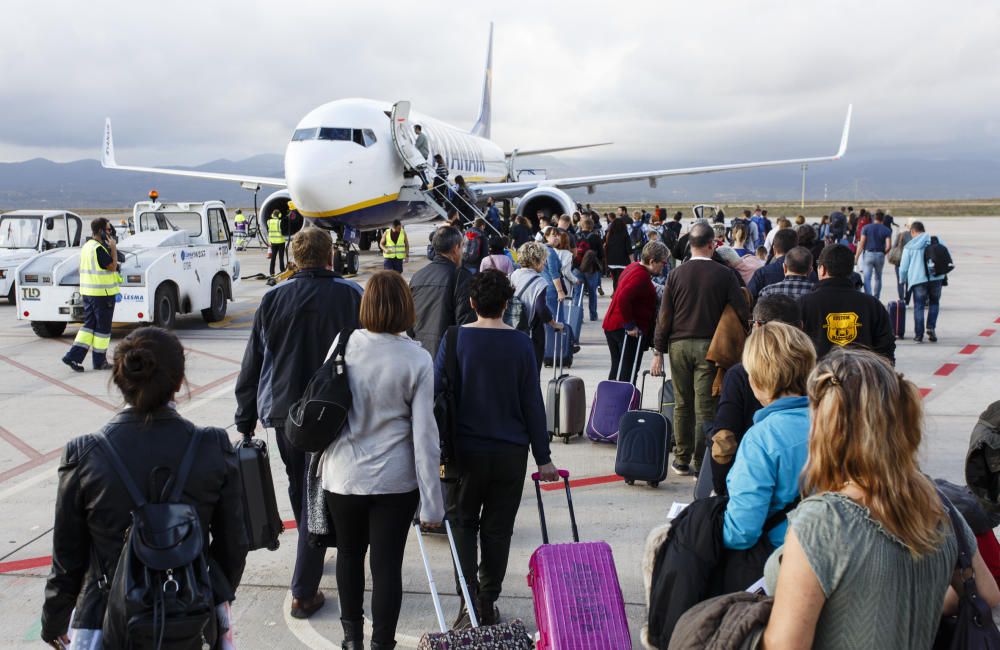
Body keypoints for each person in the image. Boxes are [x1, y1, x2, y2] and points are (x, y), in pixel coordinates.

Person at [762, 348, 1000, 649]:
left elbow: (785, 644)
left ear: (825, 426)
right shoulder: (935, 504)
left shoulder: (822, 522)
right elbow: (987, 592)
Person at [43, 327, 249, 648]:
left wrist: (54, 619)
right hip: (189, 615)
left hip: (106, 618)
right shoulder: (212, 446)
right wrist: (210, 591)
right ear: (178, 382)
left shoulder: (85, 454)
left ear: (120, 379)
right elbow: (234, 542)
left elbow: (68, 558)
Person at [235, 227, 363, 619]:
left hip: (285, 412)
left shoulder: (273, 298)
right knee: (324, 489)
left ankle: (313, 547)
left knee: (300, 484)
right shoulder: (351, 294)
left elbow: (254, 360)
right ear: (330, 258)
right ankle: (303, 588)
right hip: (335, 410)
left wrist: (245, 415)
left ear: (293, 260)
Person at [321, 271, 444, 650]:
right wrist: (433, 503)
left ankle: (351, 638)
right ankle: (382, 644)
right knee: (387, 565)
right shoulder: (417, 359)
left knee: (349, 556)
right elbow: (425, 438)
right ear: (406, 307)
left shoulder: (342, 345)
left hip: (344, 476)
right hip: (395, 480)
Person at [434, 270, 559, 628]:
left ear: (472, 303)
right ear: (507, 304)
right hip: (510, 453)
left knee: (462, 525)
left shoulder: (455, 337)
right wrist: (544, 457)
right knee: (498, 529)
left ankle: (467, 602)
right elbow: (532, 404)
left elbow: (435, 390)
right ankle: (488, 600)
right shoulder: (521, 344)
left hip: (464, 452)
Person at [652, 222, 751, 476]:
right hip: (709, 345)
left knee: (682, 403)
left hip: (678, 345)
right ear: (712, 244)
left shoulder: (675, 274)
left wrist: (657, 351)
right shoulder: (724, 274)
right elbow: (741, 310)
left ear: (690, 245)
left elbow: (665, 316)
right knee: (705, 405)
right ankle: (700, 461)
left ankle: (681, 459)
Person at [723, 322, 815, 551]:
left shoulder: (761, 439)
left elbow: (741, 532)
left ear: (755, 380)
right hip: (833, 556)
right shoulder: (836, 423)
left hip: (781, 562)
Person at [710, 294, 803, 496]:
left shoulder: (741, 374)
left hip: (750, 485)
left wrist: (722, 491)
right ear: (801, 327)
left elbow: (724, 440)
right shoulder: (816, 372)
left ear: (758, 327)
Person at [799, 244, 895, 363]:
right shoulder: (872, 305)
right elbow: (885, 348)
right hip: (862, 376)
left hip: (818, 377)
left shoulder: (804, 304)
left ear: (822, 269)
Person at [602, 241, 668, 383]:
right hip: (624, 330)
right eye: (663, 263)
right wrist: (630, 325)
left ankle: (612, 400)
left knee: (617, 368)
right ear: (652, 261)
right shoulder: (641, 276)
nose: (664, 267)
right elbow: (623, 297)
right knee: (628, 371)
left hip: (612, 325)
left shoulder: (633, 267)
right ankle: (623, 402)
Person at [61, 218, 119, 372]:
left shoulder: (87, 247)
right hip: (102, 294)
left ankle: (72, 357)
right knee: (102, 329)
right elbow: (112, 267)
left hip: (88, 293)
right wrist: (113, 248)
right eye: (108, 230)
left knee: (88, 326)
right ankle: (99, 362)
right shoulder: (98, 249)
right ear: (100, 231)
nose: (110, 232)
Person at [409, 226, 476, 358]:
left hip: (420, 354)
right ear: (456, 248)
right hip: (447, 356)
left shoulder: (417, 276)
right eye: (462, 247)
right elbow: (466, 324)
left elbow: (409, 324)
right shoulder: (460, 277)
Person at [511, 242, 564, 372]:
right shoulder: (540, 281)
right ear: (536, 261)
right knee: (533, 373)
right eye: (543, 260)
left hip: (513, 327)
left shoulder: (514, 274)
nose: (545, 263)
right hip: (532, 331)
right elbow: (541, 308)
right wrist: (553, 323)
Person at [899, 220, 947, 343]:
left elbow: (903, 267)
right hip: (936, 278)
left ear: (913, 231)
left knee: (919, 306)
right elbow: (945, 257)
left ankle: (918, 335)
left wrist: (902, 279)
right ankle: (931, 328)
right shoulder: (937, 240)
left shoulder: (909, 246)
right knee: (934, 303)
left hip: (918, 280)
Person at [747, 228, 799, 301]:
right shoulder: (808, 272)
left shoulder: (762, 273)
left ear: (774, 250)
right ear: (797, 248)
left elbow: (748, 298)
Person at [855, 209, 892, 299]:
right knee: (878, 278)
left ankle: (869, 297)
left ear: (873, 218)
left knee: (867, 277)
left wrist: (856, 257)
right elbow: (889, 246)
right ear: (882, 219)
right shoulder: (887, 230)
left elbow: (862, 244)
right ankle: (876, 298)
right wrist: (883, 253)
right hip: (880, 254)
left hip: (868, 254)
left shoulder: (866, 228)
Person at [577, 217, 604, 321]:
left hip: (577, 267)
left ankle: (579, 317)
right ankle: (593, 315)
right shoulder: (596, 237)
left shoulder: (576, 236)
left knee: (578, 293)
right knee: (592, 292)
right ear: (592, 226)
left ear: (581, 225)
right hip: (591, 268)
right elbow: (601, 254)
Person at [604, 217, 632, 290]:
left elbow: (606, 247)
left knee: (615, 280)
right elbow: (629, 250)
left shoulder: (609, 235)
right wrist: (632, 261)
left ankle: (615, 294)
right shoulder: (625, 235)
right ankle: (619, 296)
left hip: (611, 262)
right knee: (622, 281)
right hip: (623, 262)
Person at [268, 209, 287, 275]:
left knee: (273, 257)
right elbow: (284, 231)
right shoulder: (280, 222)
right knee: (281, 257)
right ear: (279, 215)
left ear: (273, 215)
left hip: (273, 242)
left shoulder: (269, 222)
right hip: (281, 241)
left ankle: (271, 272)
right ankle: (282, 270)